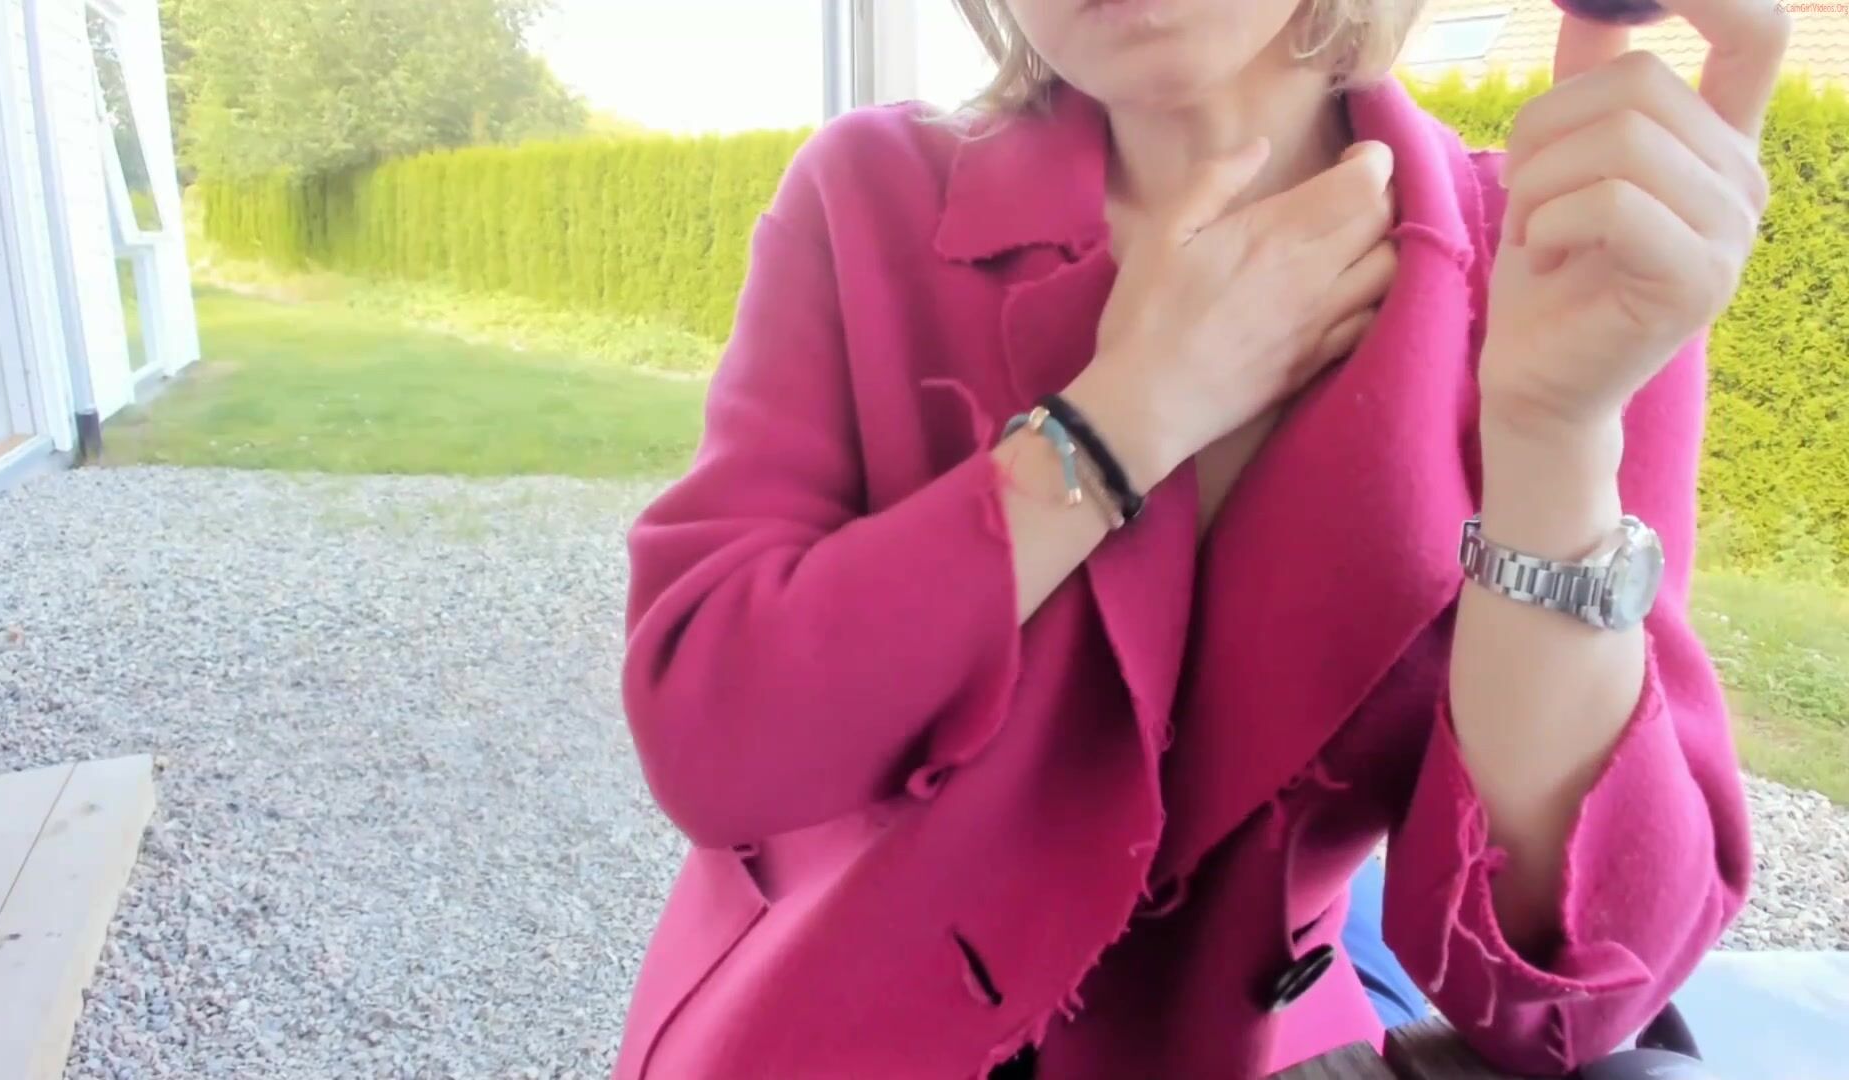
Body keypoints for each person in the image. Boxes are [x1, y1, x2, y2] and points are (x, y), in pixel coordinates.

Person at [612, 0, 1787, 1076]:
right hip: (819, 1028)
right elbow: (716, 740)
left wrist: (1551, 437)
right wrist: (1127, 415)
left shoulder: (1557, 258)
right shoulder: (869, 193)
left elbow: (1568, 992)